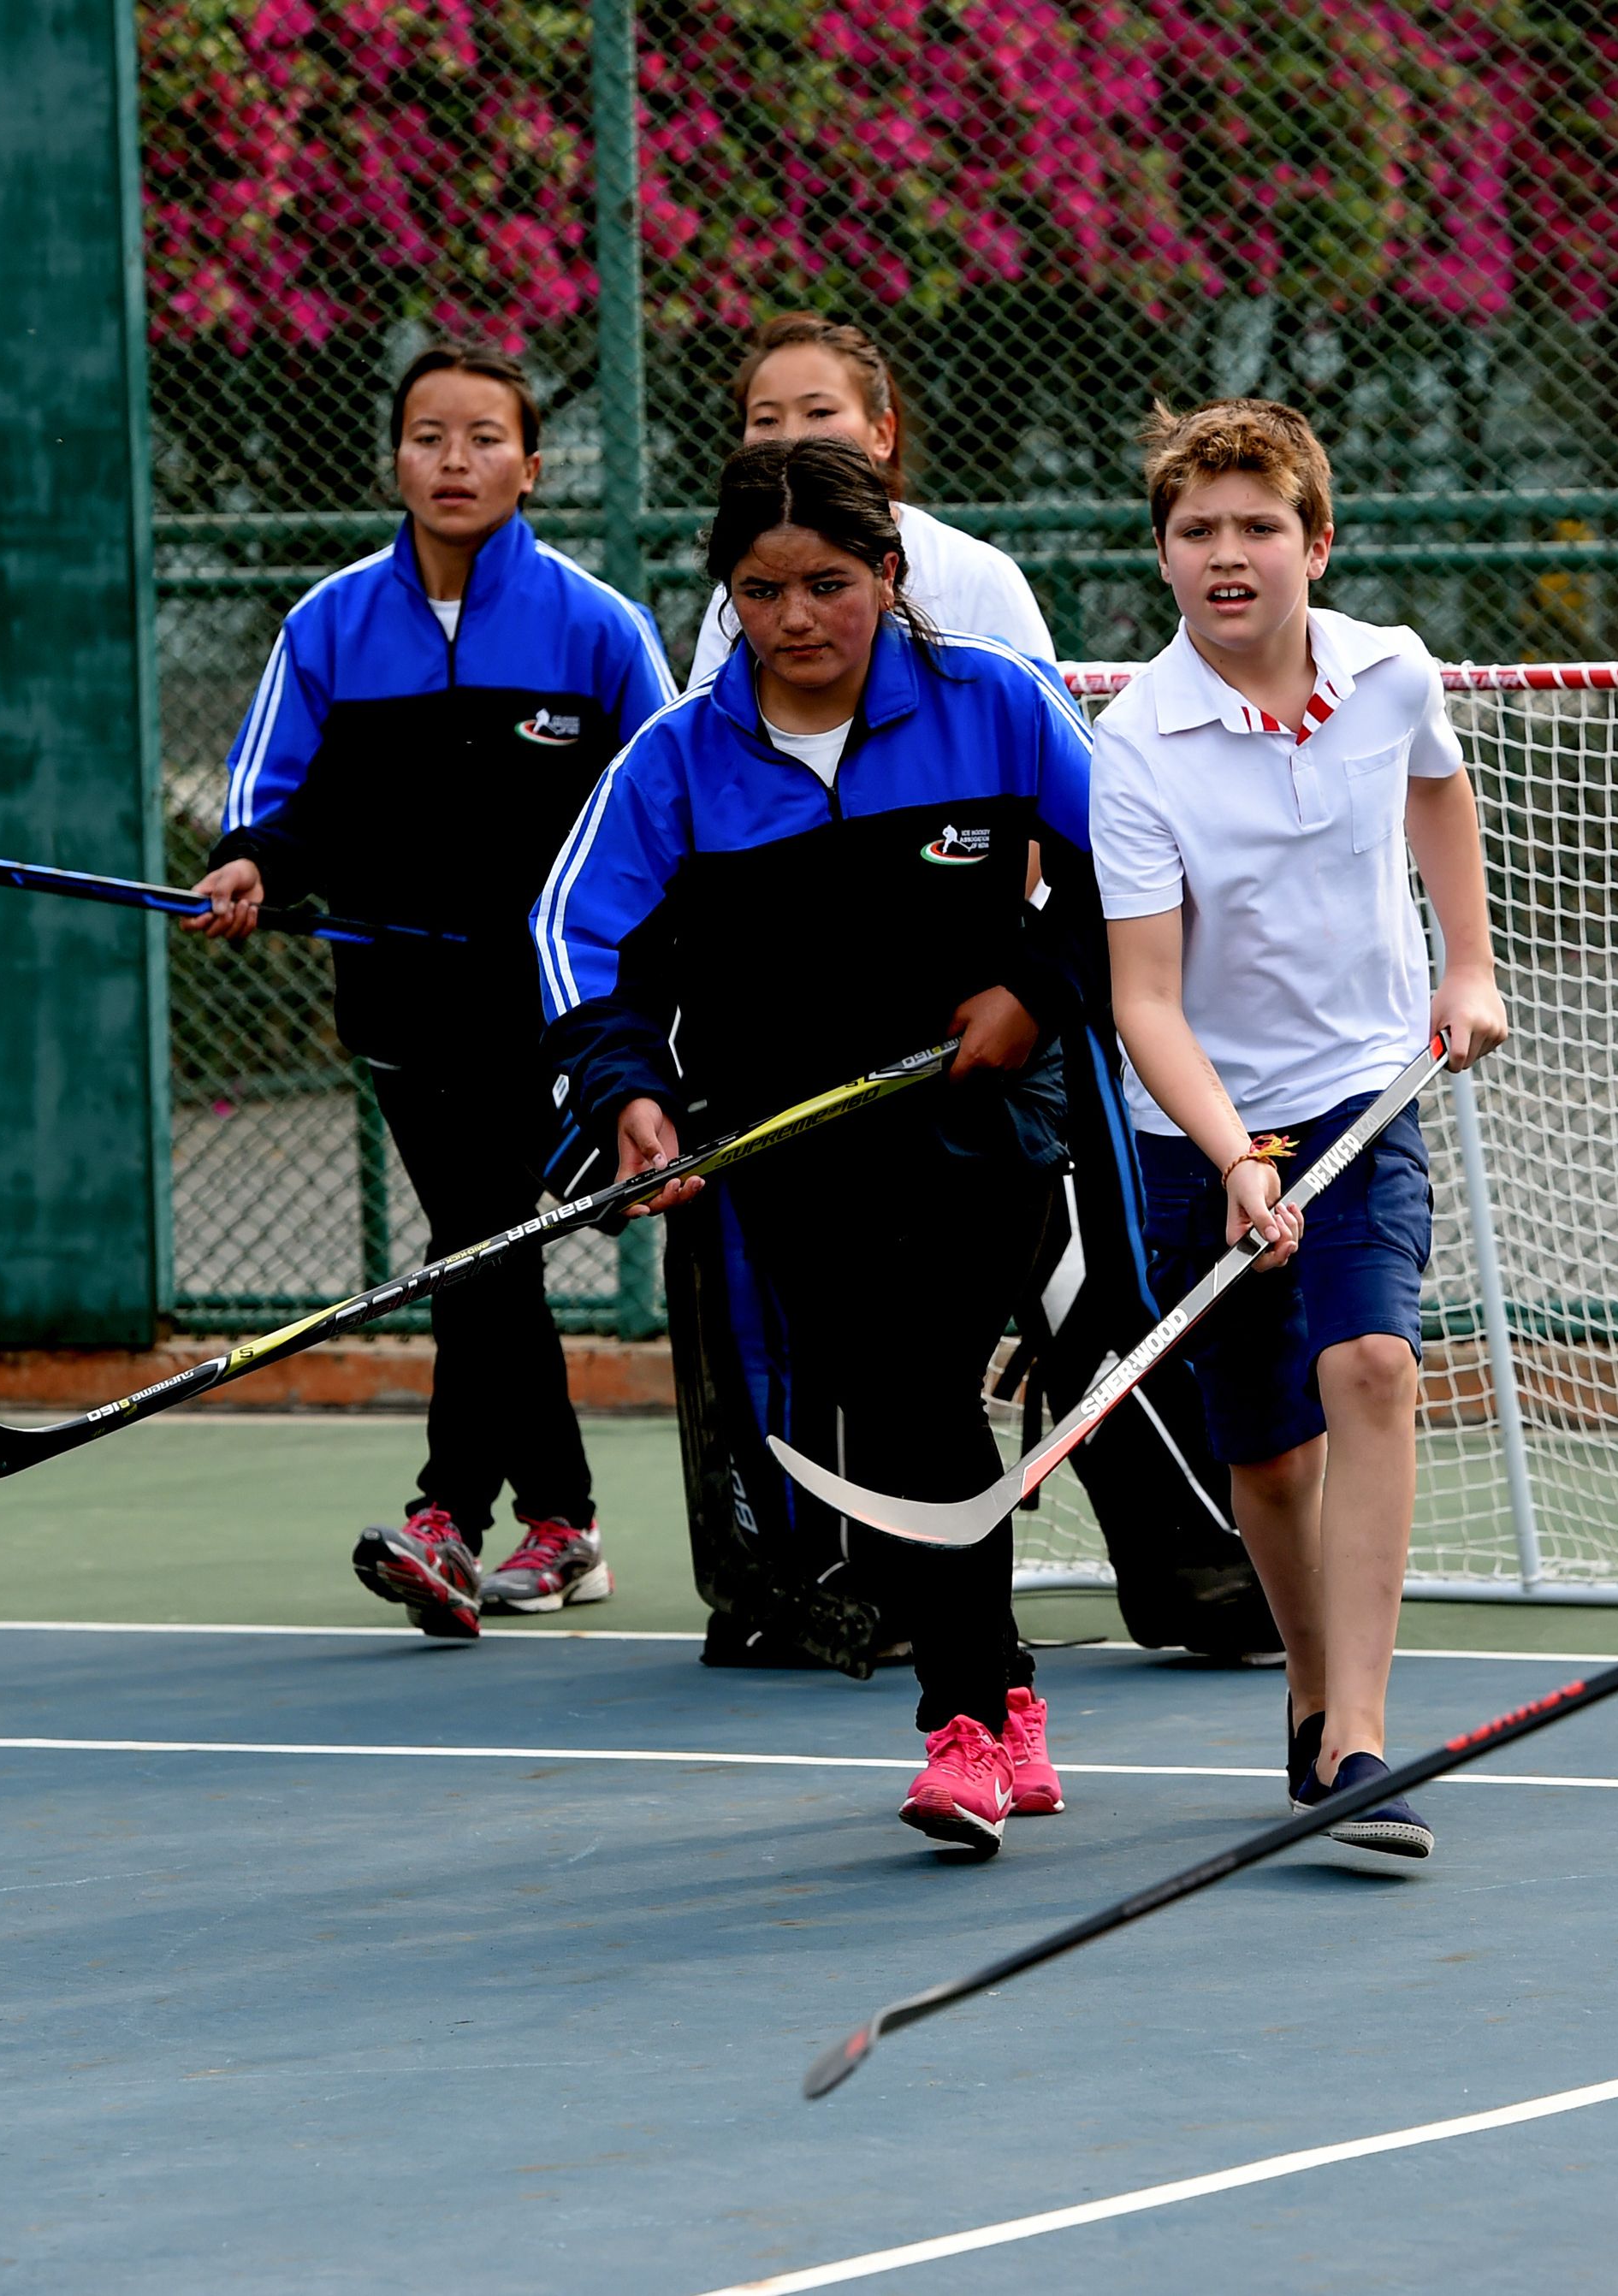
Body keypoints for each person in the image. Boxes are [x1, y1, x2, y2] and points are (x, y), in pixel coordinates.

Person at [534, 435, 1101, 1852]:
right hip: (787, 1146)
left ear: (891, 574)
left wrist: (1035, 988)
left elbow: (1142, 869)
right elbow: (575, 932)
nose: (794, 618)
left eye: (829, 583)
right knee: (900, 1401)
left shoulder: (1003, 705)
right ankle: (1010, 1688)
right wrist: (625, 1093)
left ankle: (961, 1721)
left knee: (914, 1388)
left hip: (989, 1125)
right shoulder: (678, 759)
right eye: (760, 588)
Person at [187, 344, 673, 1639]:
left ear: (529, 463)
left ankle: (466, 1515)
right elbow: (278, 809)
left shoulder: (597, 626)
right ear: (394, 458)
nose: (453, 462)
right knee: (483, 1241)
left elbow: (664, 807)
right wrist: (248, 868)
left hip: (552, 1006)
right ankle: (542, 1525)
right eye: (427, 437)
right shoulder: (331, 625)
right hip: (400, 1001)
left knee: (479, 1241)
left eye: (481, 439)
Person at [1087, 398, 1509, 1861]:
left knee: (1373, 1363)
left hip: (1363, 1088)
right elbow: (1144, 997)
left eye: (1259, 524)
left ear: (1314, 544)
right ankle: (1313, 1689)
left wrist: (1469, 962)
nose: (1228, 552)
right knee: (1267, 1455)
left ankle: (1366, 1736)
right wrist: (1232, 1156)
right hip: (1199, 1114)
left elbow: (1439, 793)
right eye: (1197, 529)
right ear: (1164, 560)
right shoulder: (1135, 745)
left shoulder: (1389, 672)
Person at [684, 313, 1053, 687]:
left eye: (819, 412)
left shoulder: (976, 574)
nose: (791, 435)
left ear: (883, 433)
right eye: (766, 419)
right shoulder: (735, 594)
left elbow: (1031, 723)